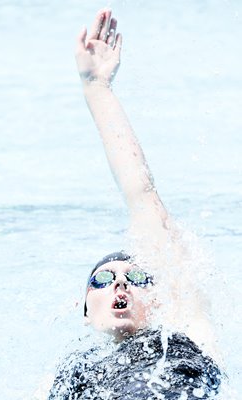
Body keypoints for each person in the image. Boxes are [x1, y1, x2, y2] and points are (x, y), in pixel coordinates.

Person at [46, 8, 223, 400]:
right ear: (85, 309)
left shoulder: (185, 337)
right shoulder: (75, 373)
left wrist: (97, 88)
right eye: (103, 279)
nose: (121, 282)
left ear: (160, 299)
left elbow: (143, 196)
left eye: (139, 278)